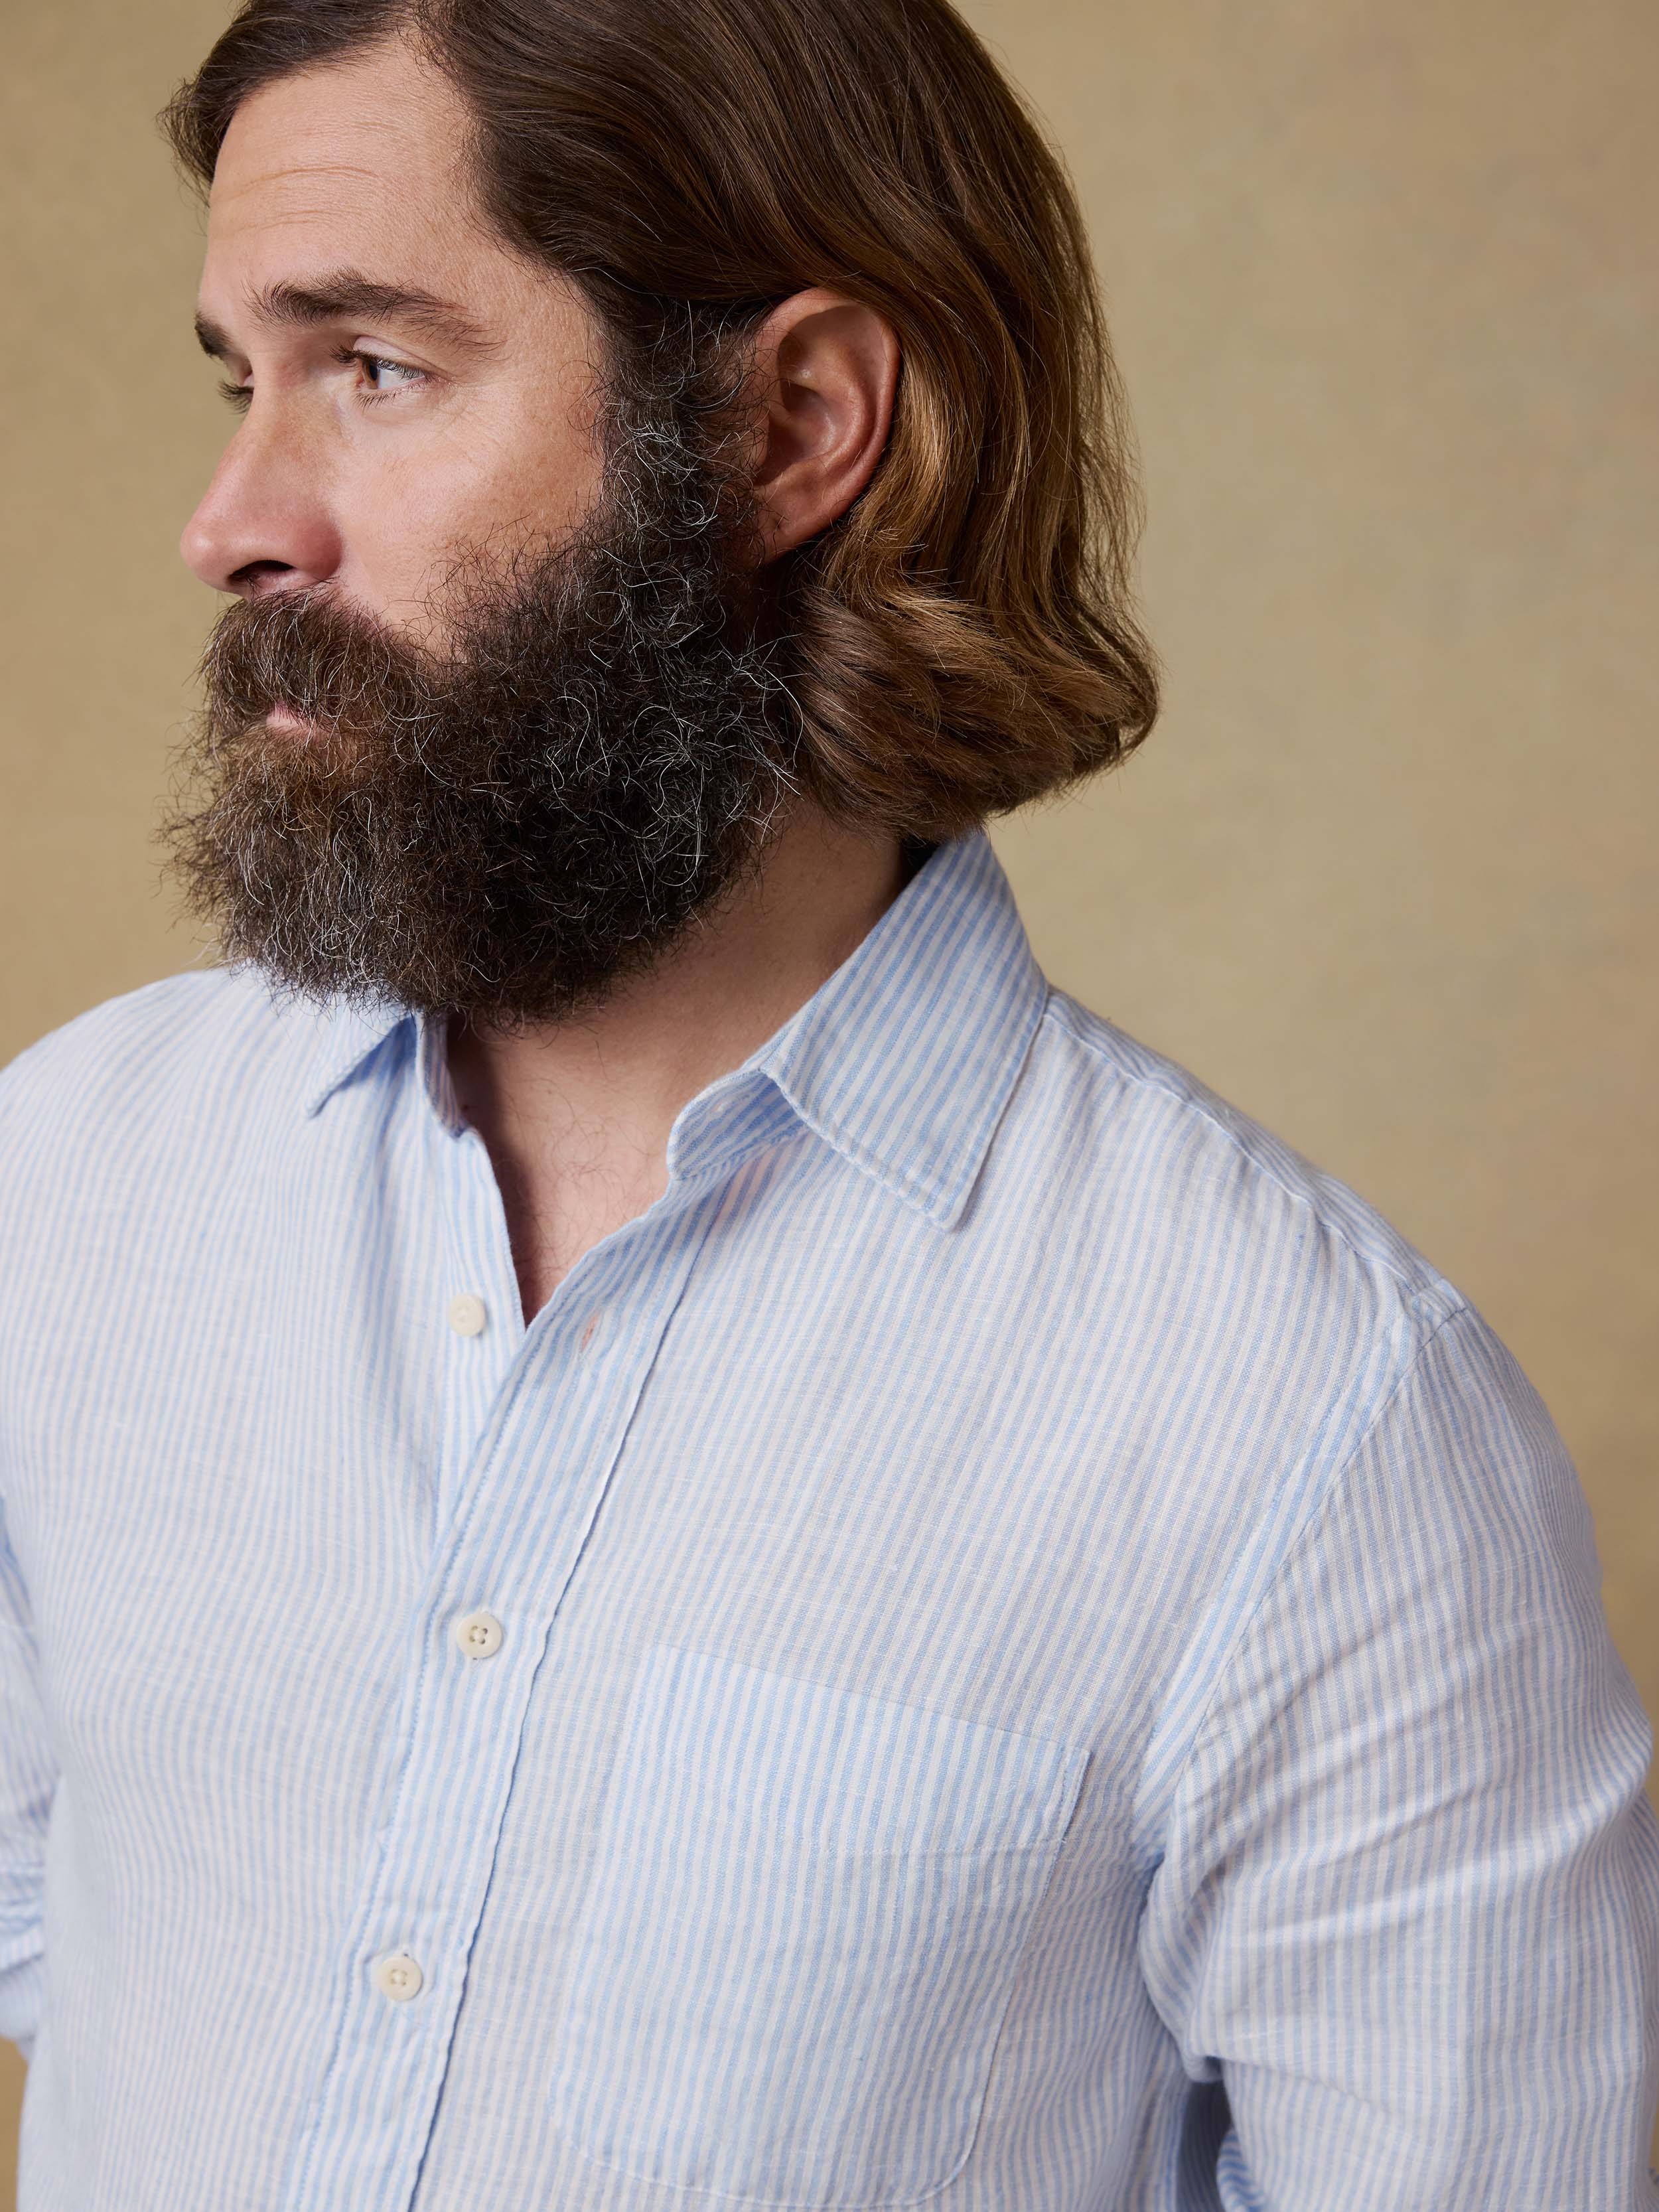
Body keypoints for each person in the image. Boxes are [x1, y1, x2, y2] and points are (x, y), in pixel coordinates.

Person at [1, 0, 1654, 2204]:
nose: (233, 520)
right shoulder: (71, 1183)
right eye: (242, 378)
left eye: (375, 369)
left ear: (791, 427)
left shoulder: (1310, 1428)